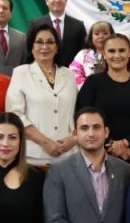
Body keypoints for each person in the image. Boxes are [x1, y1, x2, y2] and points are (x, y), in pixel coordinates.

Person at [77, 33, 130, 163]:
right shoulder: (93, 82)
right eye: (111, 51)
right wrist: (111, 144)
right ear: (104, 54)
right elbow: (81, 116)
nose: (117, 55)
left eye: (122, 50)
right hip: (100, 152)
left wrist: (125, 143)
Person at [6, 24, 79, 166]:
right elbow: (15, 114)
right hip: (33, 156)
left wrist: (74, 139)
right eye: (39, 42)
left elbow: (78, 112)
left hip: (68, 154)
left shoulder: (69, 74)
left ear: (57, 47)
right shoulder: (21, 72)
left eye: (50, 42)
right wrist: (45, 142)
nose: (45, 47)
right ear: (31, 46)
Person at [25, 0, 88, 66]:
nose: (57, 0)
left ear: (66, 0)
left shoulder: (78, 26)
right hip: (41, 71)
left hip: (70, 72)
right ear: (46, 1)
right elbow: (28, 53)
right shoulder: (35, 25)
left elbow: (84, 54)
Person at [69, 21, 114, 88]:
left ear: (112, 35)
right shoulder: (83, 54)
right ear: (91, 37)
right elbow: (74, 72)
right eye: (96, 34)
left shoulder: (116, 54)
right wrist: (89, 87)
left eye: (105, 33)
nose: (101, 36)